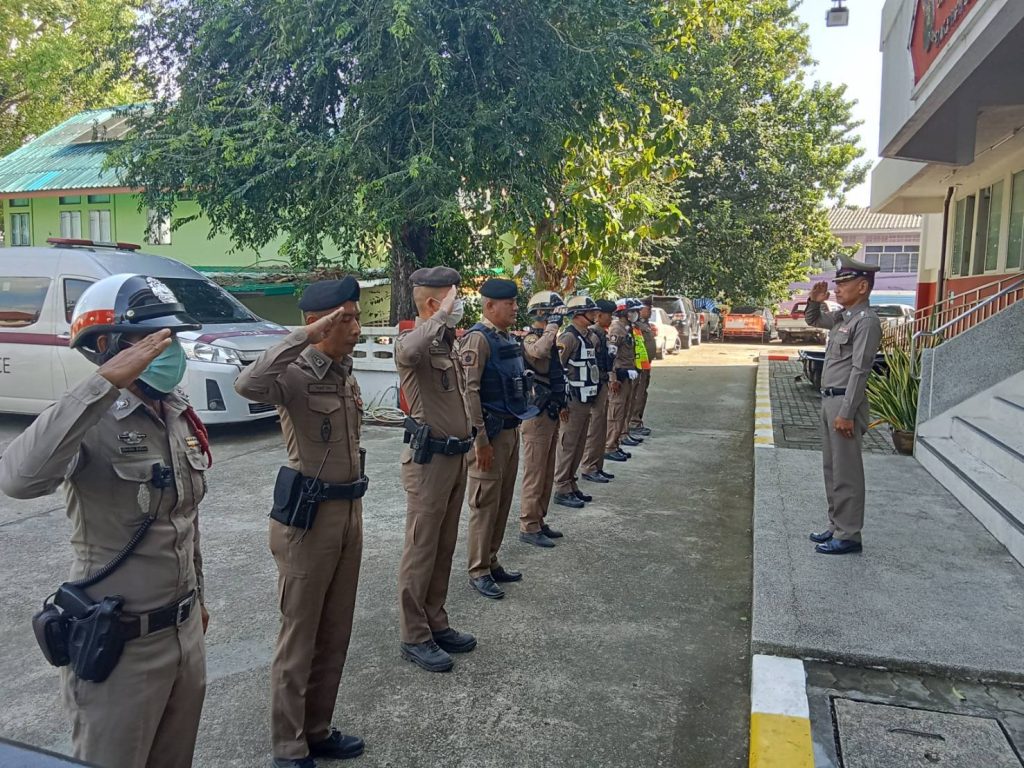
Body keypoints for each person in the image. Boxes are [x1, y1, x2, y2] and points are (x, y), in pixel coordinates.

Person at [0, 274, 211, 768]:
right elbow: (17, 479)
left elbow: (184, 519)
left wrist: (199, 598)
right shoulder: (88, 421)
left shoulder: (176, 412)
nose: (168, 350)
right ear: (107, 346)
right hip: (120, 647)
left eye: (172, 338)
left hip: (183, 633)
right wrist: (104, 384)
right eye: (151, 339)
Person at [234, 278, 367, 767]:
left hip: (349, 514)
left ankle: (317, 728)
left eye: (357, 317)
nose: (357, 328)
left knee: (335, 631)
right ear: (318, 323)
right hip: (308, 523)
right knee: (300, 635)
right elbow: (247, 384)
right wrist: (301, 338)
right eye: (346, 319)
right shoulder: (292, 373)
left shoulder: (344, 373)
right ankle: (289, 744)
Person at [394, 267, 477, 673]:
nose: (459, 304)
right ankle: (414, 635)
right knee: (422, 549)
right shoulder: (414, 342)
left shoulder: (448, 343)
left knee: (444, 546)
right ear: (433, 303)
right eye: (453, 297)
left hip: (456, 458)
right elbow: (408, 353)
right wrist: (439, 316)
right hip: (428, 464)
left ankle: (435, 620)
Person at [460, 278, 540, 598]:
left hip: (511, 429)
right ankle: (478, 569)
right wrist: (480, 440)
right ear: (490, 306)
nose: (515, 308)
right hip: (490, 436)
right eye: (510, 303)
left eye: (515, 302)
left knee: (502, 501)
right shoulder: (477, 339)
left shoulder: (505, 338)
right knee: (484, 504)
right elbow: (470, 393)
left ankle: (491, 560)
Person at [804, 254, 883, 555]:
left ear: (862, 287)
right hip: (830, 401)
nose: (837, 288)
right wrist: (814, 302)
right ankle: (836, 525)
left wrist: (847, 413)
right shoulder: (843, 318)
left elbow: (860, 371)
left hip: (844, 404)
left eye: (844, 283)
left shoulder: (867, 322)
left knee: (846, 471)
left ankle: (849, 534)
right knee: (832, 469)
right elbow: (814, 320)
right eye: (837, 283)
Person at [520, 290, 573, 548]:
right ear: (541, 313)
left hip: (551, 411)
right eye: (553, 312)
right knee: (535, 472)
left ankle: (539, 519)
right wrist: (552, 326)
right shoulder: (531, 337)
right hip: (536, 415)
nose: (558, 317)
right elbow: (539, 353)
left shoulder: (552, 339)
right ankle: (528, 525)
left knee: (547, 472)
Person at [552, 296, 601, 504]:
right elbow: (557, 369)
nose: (594, 315)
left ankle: (571, 483)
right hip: (572, 399)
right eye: (590, 311)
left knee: (579, 443)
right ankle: (562, 487)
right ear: (578, 314)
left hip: (585, 397)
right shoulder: (569, 338)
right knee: (568, 444)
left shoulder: (587, 336)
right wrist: (561, 403)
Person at [580, 299, 618, 483]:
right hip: (596, 385)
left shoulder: (602, 333)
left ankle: (597, 465)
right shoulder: (593, 335)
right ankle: (589, 466)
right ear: (600, 315)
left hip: (602, 383)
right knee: (594, 428)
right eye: (609, 315)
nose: (611, 319)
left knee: (601, 427)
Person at [604, 299, 639, 462]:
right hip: (619, 377)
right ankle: (609, 446)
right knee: (616, 413)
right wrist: (614, 377)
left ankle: (616, 443)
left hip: (627, 375)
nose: (635, 314)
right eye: (632, 311)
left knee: (624, 411)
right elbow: (612, 356)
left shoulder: (627, 328)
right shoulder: (616, 329)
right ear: (624, 312)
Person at [627, 298, 657, 437]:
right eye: (647, 308)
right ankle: (633, 422)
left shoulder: (645, 324)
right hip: (637, 366)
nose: (650, 311)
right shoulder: (634, 326)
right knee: (637, 395)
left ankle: (637, 421)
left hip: (645, 365)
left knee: (642, 394)